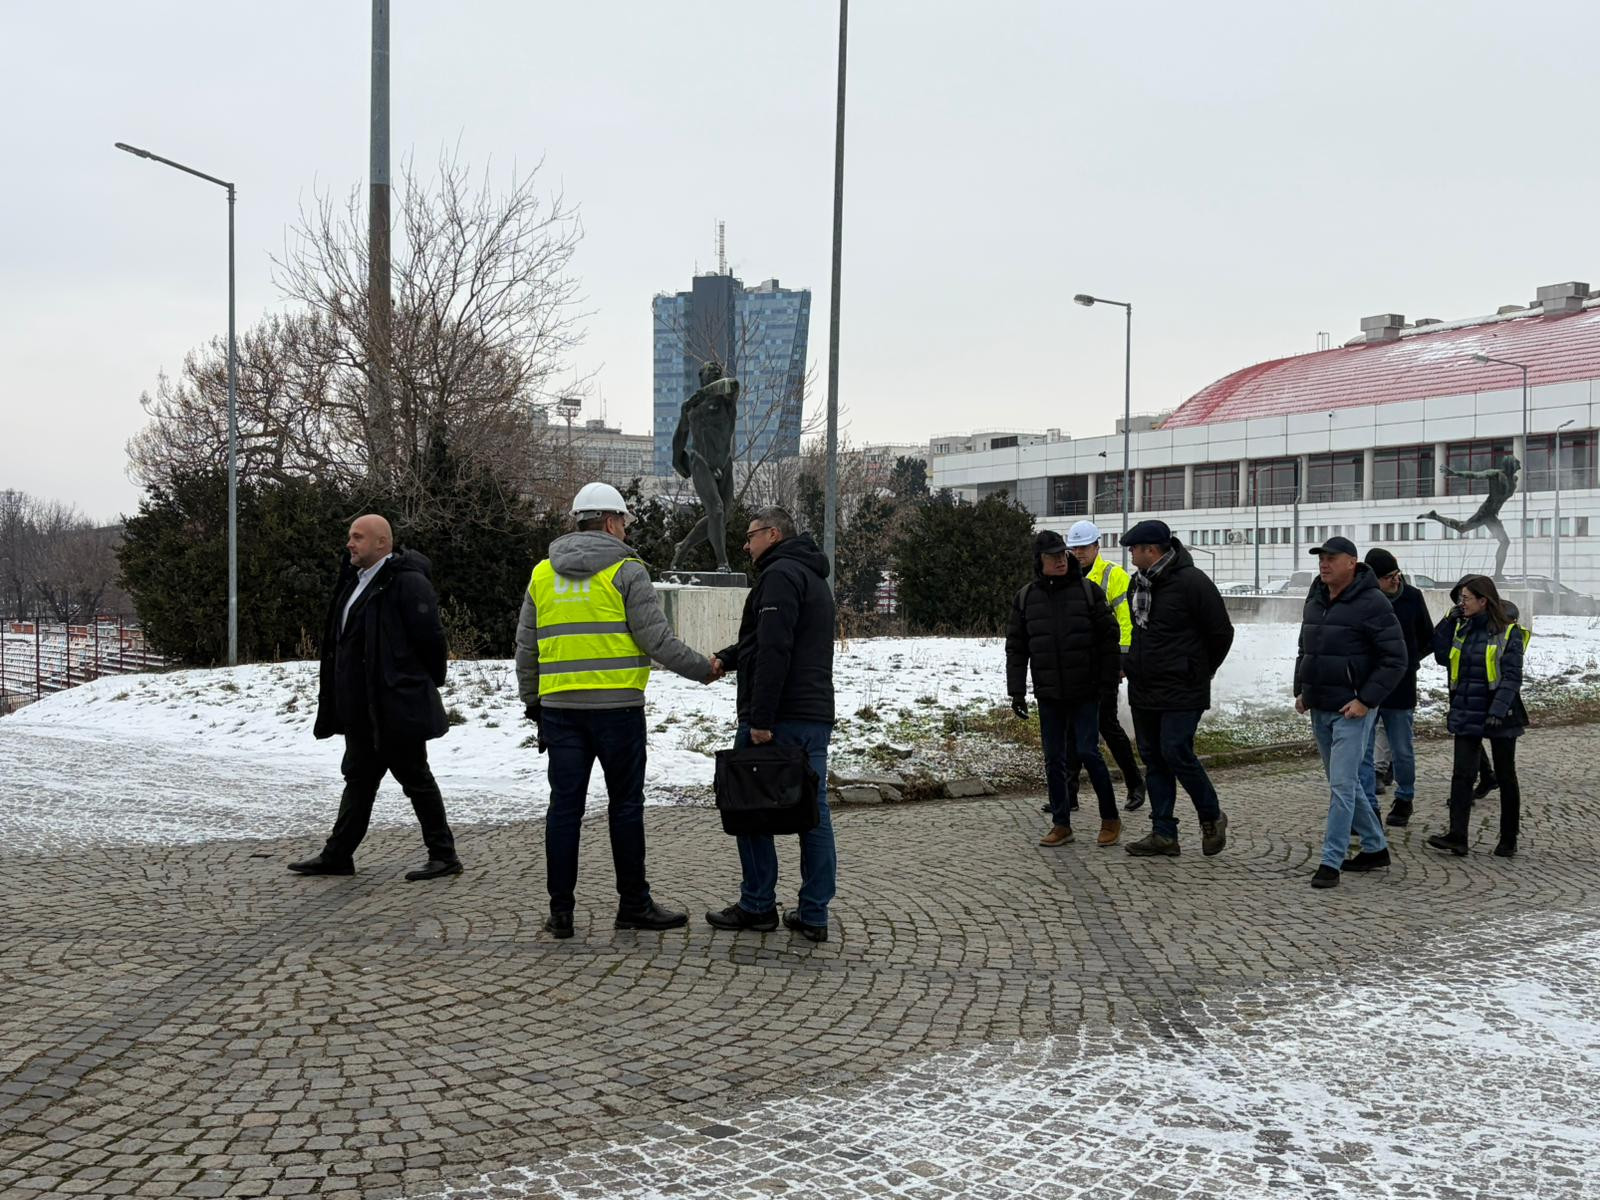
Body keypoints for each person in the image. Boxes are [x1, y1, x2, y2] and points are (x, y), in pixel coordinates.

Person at [515, 482, 718, 939]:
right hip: (619, 712)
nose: (626, 530)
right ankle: (633, 905)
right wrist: (704, 669)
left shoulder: (542, 574)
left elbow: (526, 648)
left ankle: (561, 913)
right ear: (610, 522)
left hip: (561, 711)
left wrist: (533, 703)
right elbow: (656, 640)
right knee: (625, 807)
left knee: (563, 810)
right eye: (623, 522)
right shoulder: (628, 571)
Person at [293, 514, 462, 881]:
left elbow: (431, 640)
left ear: (382, 543)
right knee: (359, 779)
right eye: (350, 536)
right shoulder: (354, 581)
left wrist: (416, 683)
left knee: (415, 778)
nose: (349, 544)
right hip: (360, 709)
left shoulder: (407, 583)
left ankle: (444, 855)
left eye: (358, 537)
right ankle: (338, 855)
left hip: (395, 706)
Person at [704, 507, 838, 942]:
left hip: (780, 717)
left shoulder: (780, 575)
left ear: (774, 534)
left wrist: (761, 720)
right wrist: (728, 657)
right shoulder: (812, 576)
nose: (746, 545)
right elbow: (766, 640)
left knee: (749, 806)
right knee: (812, 814)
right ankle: (814, 913)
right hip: (814, 713)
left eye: (751, 536)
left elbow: (775, 650)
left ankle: (757, 905)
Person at [1294, 536, 1407, 889]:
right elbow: (1306, 647)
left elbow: (1395, 659)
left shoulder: (1372, 602)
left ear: (1351, 562)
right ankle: (1375, 847)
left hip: (1352, 711)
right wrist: (1302, 689)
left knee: (1342, 786)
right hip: (1320, 705)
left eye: (1331, 558)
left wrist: (1366, 701)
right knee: (1346, 783)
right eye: (1321, 558)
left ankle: (1331, 861)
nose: (1324, 563)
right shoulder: (1316, 597)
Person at [1119, 521, 1235, 859]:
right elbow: (1140, 632)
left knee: (1175, 751)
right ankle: (1163, 833)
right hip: (1145, 688)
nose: (1130, 553)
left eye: (1134, 548)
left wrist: (1200, 670)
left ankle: (1211, 816)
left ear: (1151, 550)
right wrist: (1131, 664)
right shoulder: (1137, 584)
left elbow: (1221, 633)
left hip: (1183, 687)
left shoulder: (1192, 582)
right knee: (1153, 758)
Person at [1006, 529, 1123, 847]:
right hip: (1049, 692)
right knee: (1053, 758)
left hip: (1086, 689)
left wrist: (1108, 683)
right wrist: (1016, 692)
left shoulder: (1088, 592)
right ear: (1039, 560)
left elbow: (1109, 639)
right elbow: (1017, 648)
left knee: (1087, 752)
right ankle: (1061, 823)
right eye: (1053, 556)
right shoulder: (1026, 598)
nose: (1060, 560)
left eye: (1063, 554)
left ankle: (1110, 818)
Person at [1426, 574, 1529, 858]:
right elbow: (1441, 654)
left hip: (1501, 713)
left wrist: (1498, 710)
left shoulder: (1509, 632)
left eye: (1466, 598)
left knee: (1506, 775)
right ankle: (1457, 836)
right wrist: (1448, 620)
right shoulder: (1463, 627)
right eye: (1460, 599)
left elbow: (1512, 677)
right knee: (1462, 775)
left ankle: (1508, 838)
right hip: (1467, 708)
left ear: (1483, 601)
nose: (1462, 603)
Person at [1064, 520, 1147, 813]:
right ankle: (1069, 794)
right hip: (1075, 665)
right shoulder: (1066, 577)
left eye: (1084, 547)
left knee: (1106, 725)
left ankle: (1135, 783)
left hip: (1104, 664)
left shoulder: (1114, 576)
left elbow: (1127, 620)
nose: (1078, 553)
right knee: (1071, 728)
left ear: (1097, 546)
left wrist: (1122, 659)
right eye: (1074, 548)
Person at [1360, 548, 1434, 828]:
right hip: (1368, 686)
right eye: (1389, 576)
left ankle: (1405, 798)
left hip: (1401, 685)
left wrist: (1410, 660)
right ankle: (1368, 804)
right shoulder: (1364, 599)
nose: (1396, 580)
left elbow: (1427, 636)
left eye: (1397, 574)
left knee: (1402, 748)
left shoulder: (1412, 597)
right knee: (1364, 749)